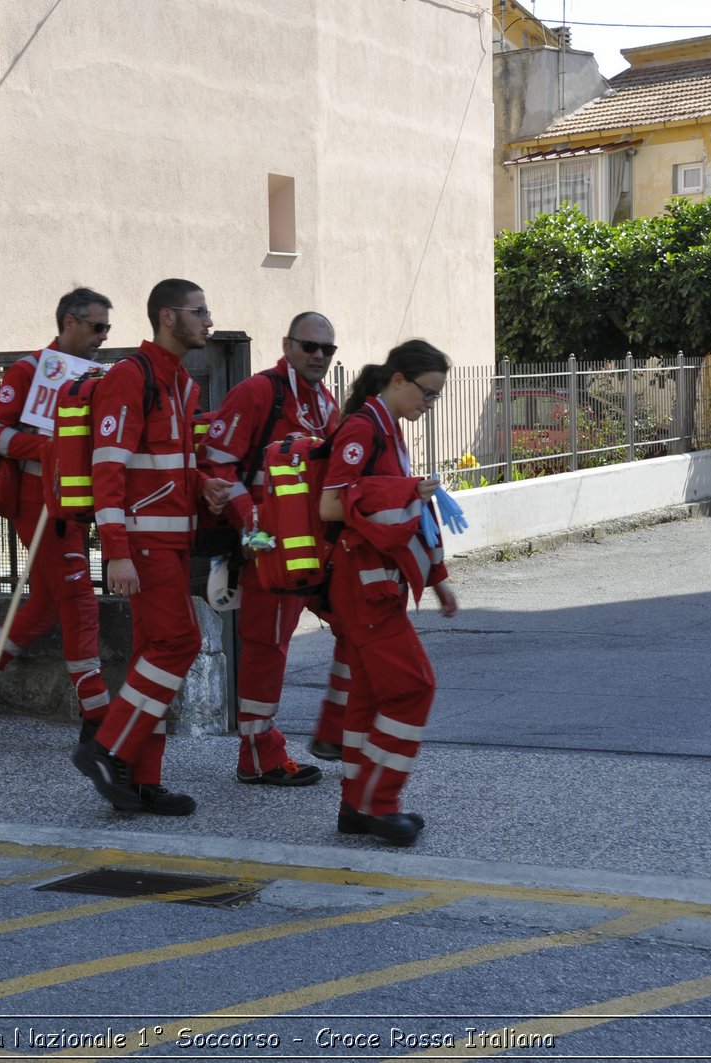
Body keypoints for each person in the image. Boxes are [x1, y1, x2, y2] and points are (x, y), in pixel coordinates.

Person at [70, 279, 232, 816]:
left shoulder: (181, 384)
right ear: (168, 317)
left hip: (171, 538)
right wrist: (114, 550)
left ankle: (141, 779)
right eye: (200, 311)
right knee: (179, 642)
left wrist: (201, 483)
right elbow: (107, 469)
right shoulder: (129, 379)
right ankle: (106, 748)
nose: (209, 321)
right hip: (142, 541)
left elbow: (168, 466)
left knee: (150, 655)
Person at [0, 288, 113, 737]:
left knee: (44, 608)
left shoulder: (93, 376)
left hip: (68, 501)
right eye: (97, 327)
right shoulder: (29, 369)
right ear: (69, 322)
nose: (104, 337)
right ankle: (97, 715)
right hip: (38, 501)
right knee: (78, 600)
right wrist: (49, 448)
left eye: (107, 328)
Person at [317, 339, 459, 845]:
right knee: (413, 687)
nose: (430, 403)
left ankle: (356, 808)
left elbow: (398, 515)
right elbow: (330, 506)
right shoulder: (362, 428)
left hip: (373, 584)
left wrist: (438, 581)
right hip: (362, 586)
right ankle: (380, 804)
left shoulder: (386, 428)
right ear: (397, 379)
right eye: (427, 393)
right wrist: (405, 489)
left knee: (370, 697)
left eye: (436, 396)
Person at [199, 311, 341, 786]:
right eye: (309, 346)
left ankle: (334, 733)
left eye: (327, 349)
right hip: (268, 554)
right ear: (288, 345)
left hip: (313, 553)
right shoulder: (259, 393)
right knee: (266, 649)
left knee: (357, 630)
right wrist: (255, 535)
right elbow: (217, 467)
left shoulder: (325, 405)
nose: (318, 356)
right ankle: (258, 753)